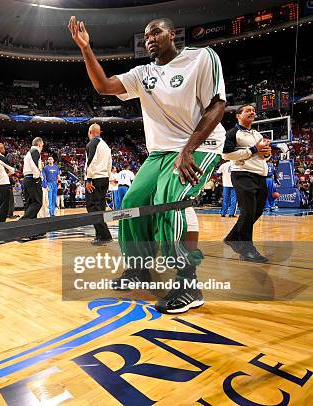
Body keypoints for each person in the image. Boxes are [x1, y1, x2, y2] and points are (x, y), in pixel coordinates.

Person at [70, 16, 227, 313]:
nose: (150, 39)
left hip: (200, 144)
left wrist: (188, 149)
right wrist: (86, 49)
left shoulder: (201, 57)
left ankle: (188, 283)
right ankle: (138, 267)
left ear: (172, 34)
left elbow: (218, 105)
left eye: (155, 32)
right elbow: (104, 86)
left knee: (171, 201)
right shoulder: (143, 73)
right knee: (132, 202)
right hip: (160, 154)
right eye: (145, 36)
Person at [222, 104, 271, 263]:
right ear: (238, 115)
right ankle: (246, 250)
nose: (252, 112)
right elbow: (226, 155)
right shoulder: (232, 133)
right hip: (243, 174)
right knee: (248, 211)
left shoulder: (257, 133)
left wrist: (267, 153)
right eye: (248, 110)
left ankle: (232, 238)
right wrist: (253, 150)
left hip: (260, 175)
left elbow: (263, 155)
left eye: (253, 110)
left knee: (256, 211)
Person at [84, 124, 113, 244]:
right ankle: (99, 235)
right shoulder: (106, 145)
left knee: (92, 207)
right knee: (100, 207)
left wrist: (88, 179)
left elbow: (90, 162)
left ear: (90, 132)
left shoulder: (92, 143)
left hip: (94, 178)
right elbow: (109, 163)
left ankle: (105, 235)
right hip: (104, 178)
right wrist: (107, 177)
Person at [21, 137, 44, 220]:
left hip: (27, 179)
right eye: (42, 146)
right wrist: (38, 177)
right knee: (38, 203)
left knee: (30, 203)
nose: (42, 148)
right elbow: (34, 166)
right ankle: (23, 221)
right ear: (39, 144)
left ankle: (31, 228)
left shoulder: (29, 152)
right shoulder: (35, 151)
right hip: (33, 179)